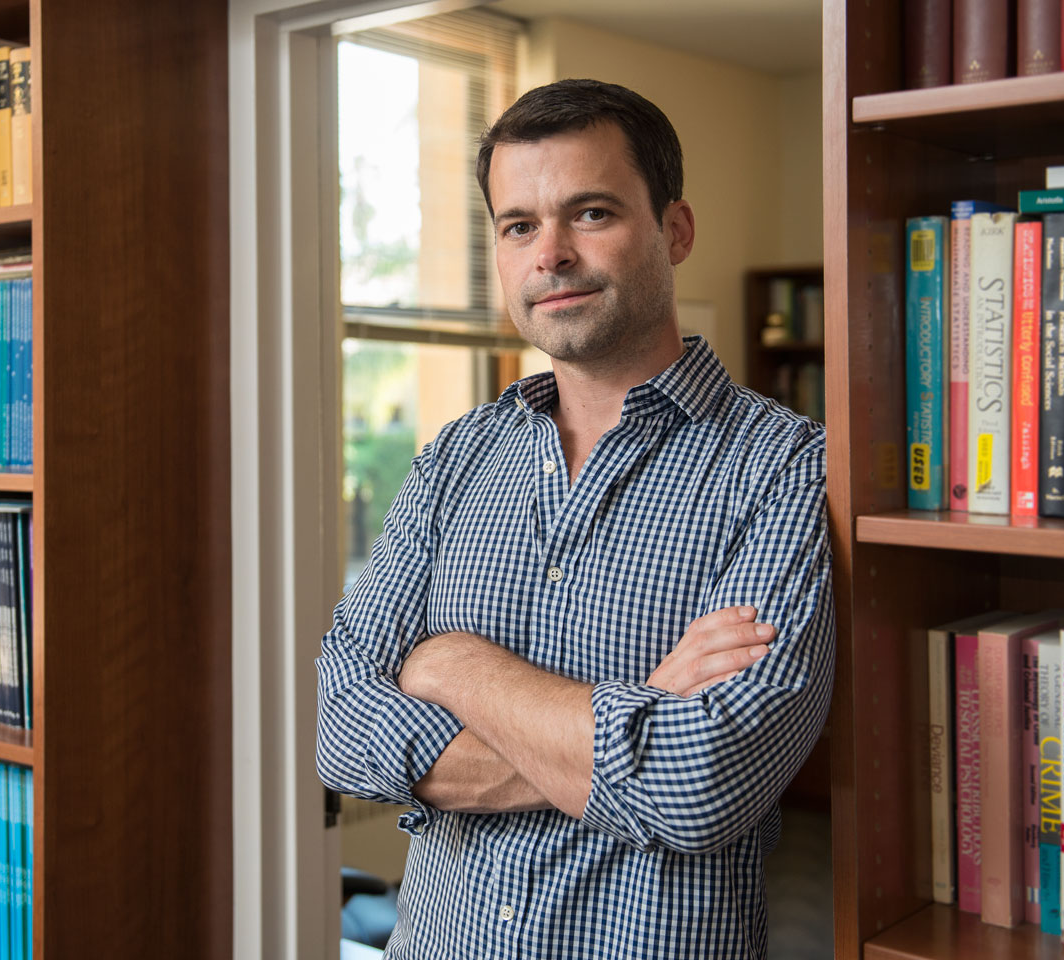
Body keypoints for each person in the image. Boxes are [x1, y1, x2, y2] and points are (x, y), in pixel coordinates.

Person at [316, 78, 834, 959]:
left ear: (675, 230)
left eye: (590, 213)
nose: (548, 253)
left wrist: (455, 666)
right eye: (519, 225)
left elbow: (700, 785)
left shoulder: (786, 465)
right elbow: (338, 728)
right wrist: (643, 712)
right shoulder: (456, 456)